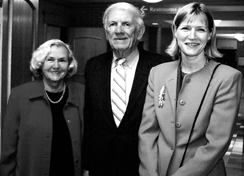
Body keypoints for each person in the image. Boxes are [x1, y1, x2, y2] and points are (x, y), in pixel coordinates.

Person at [138, 2, 243, 176]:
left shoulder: (227, 78)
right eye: (186, 28)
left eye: (201, 30)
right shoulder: (158, 73)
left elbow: (216, 143)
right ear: (175, 31)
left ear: (209, 35)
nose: (192, 36)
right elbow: (147, 132)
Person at [82, 2, 171, 176]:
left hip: (144, 165)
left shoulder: (161, 67)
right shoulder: (93, 66)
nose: (119, 30)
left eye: (127, 24)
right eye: (112, 24)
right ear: (106, 31)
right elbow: (90, 119)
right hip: (101, 164)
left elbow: (167, 121)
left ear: (139, 31)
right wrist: (87, 164)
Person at [0, 39, 85, 176]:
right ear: (40, 63)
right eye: (50, 59)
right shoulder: (19, 95)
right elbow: (8, 149)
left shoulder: (82, 93)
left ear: (69, 64)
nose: (56, 66)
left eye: (62, 60)